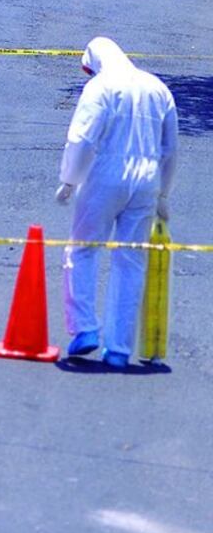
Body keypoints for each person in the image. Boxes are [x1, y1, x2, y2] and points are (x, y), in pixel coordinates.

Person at [55, 37, 178, 368]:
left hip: (104, 177)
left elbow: (82, 139)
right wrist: (163, 193)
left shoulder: (99, 87)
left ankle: (84, 328)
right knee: (130, 259)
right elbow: (170, 149)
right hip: (147, 181)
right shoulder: (157, 88)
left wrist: (70, 178)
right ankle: (119, 348)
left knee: (82, 248)